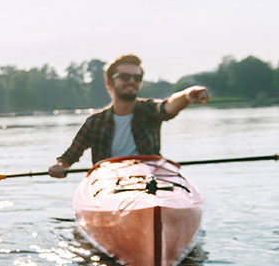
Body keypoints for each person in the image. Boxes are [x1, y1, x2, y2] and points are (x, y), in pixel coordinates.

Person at [48, 54, 210, 177]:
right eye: (125, 77)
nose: (132, 81)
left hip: (150, 179)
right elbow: (68, 157)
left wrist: (187, 95)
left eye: (137, 78)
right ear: (109, 83)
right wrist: (59, 165)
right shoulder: (95, 122)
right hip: (109, 182)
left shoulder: (149, 110)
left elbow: (169, 105)